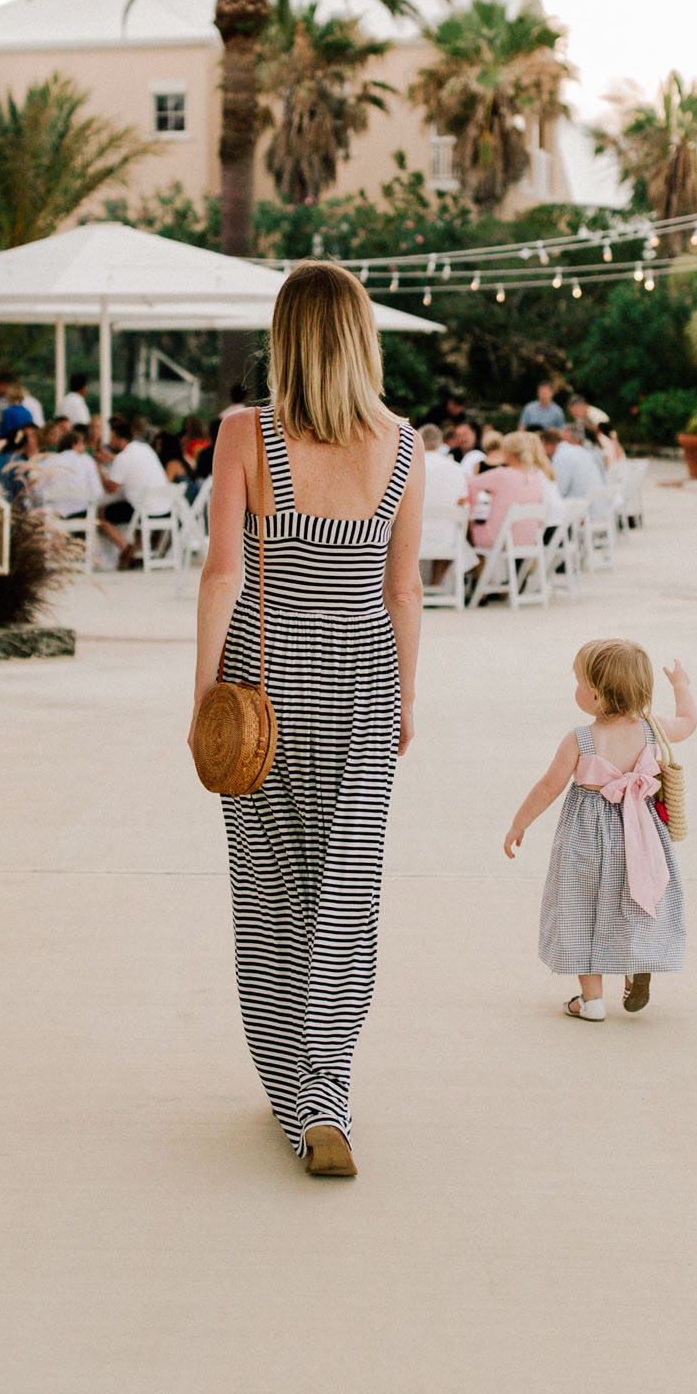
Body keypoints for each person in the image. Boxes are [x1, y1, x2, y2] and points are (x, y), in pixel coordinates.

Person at [191, 262, 422, 1178]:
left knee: (272, 895)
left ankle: (297, 1090)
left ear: (283, 336)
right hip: (365, 689)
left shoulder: (247, 432)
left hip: (262, 694)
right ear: (362, 336)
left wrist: (201, 696)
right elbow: (404, 588)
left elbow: (220, 575)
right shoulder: (404, 443)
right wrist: (406, 696)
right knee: (345, 898)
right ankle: (328, 1092)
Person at [504, 636, 697, 1022]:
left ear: (595, 696)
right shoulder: (652, 729)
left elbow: (549, 786)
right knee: (631, 900)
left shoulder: (581, 739)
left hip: (586, 839)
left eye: (579, 681)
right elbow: (689, 724)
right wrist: (681, 686)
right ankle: (633, 967)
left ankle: (591, 1000)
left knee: (580, 908)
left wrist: (519, 822)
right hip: (639, 834)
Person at [100, 411, 174, 565]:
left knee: (102, 515)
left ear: (119, 439)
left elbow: (111, 488)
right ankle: (133, 551)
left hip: (143, 511)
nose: (110, 441)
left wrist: (98, 469)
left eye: (112, 437)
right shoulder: (145, 449)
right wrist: (112, 458)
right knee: (129, 507)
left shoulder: (122, 458)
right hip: (165, 508)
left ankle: (126, 547)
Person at [466, 429, 546, 559]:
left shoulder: (502, 475)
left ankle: (475, 576)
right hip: (528, 539)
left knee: (466, 530)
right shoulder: (535, 477)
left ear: (507, 452)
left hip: (501, 539)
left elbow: (470, 482)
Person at [542, 425, 605, 502]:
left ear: (544, 442)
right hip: (599, 502)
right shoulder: (580, 450)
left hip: (582, 507)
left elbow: (559, 490)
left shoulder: (561, 456)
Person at [419, 420, 468, 517]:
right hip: (448, 529)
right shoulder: (456, 468)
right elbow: (462, 502)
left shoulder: (411, 465)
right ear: (440, 442)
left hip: (416, 528)